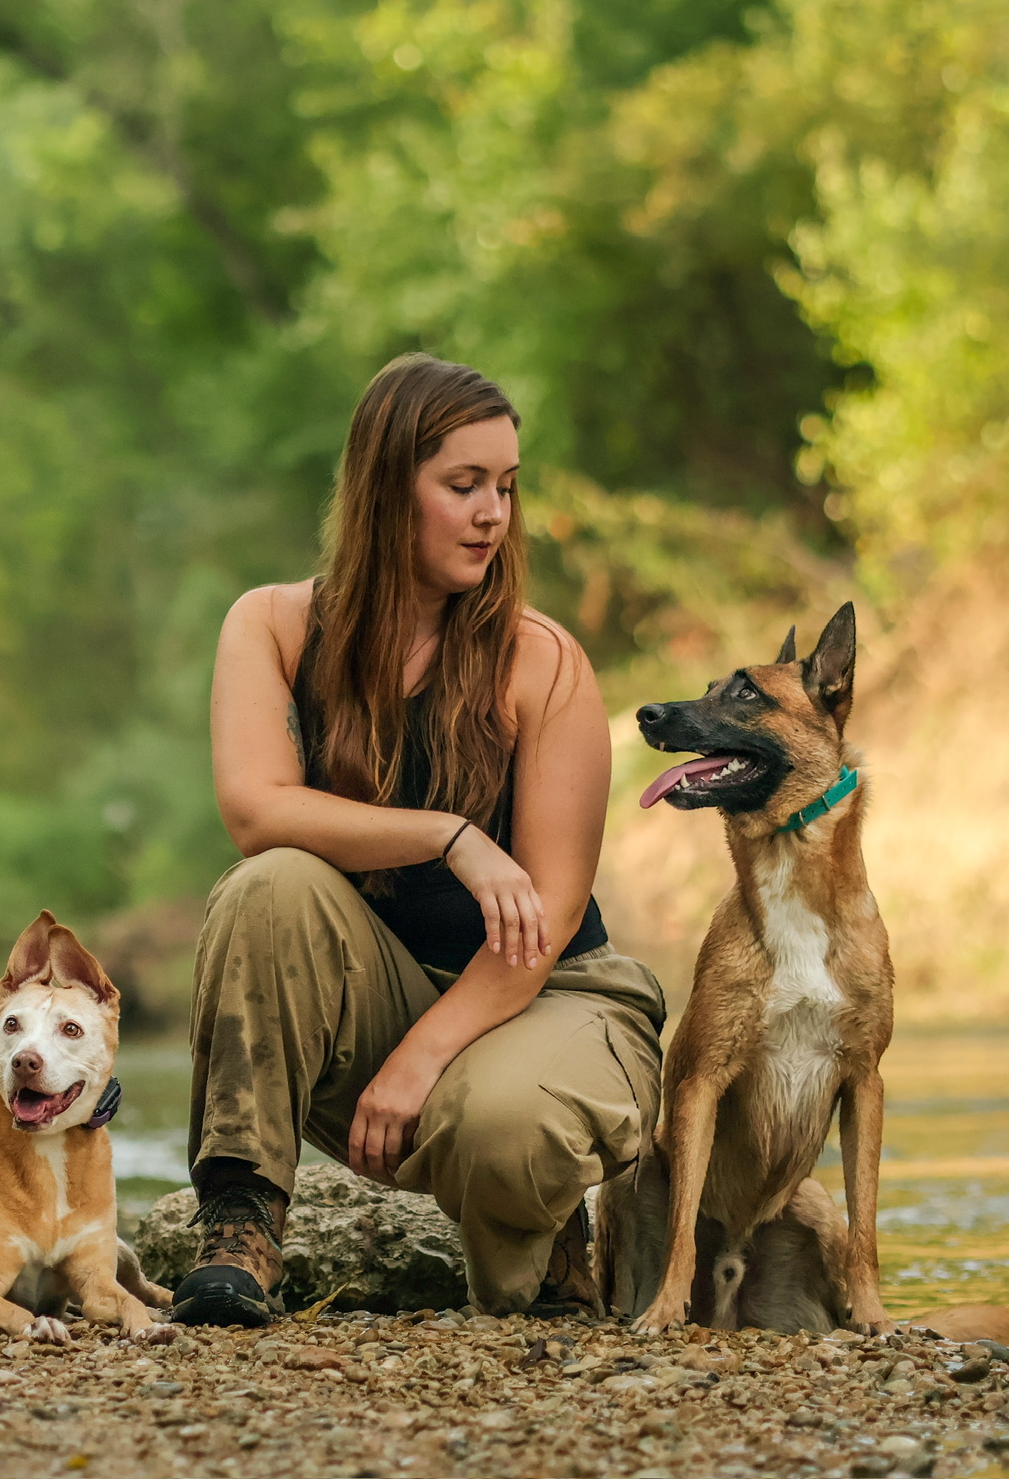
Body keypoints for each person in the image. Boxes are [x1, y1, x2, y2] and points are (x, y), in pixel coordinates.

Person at [173, 353, 666, 1327]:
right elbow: (256, 810)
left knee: (502, 1125)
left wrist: (420, 1060)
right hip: (373, 996)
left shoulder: (543, 661)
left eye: (508, 488)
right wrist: (449, 836)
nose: (495, 514)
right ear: (384, 489)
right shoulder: (271, 628)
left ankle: (551, 1239)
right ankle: (240, 1228)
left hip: (549, 994)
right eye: (464, 485)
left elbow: (549, 916)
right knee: (264, 886)